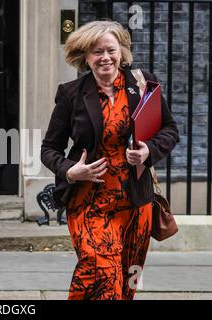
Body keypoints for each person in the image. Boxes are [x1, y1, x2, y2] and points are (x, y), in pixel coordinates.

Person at [41, 20, 179, 300]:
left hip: (136, 202)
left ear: (122, 52)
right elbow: (49, 148)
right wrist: (71, 171)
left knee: (128, 280)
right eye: (96, 52)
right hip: (89, 202)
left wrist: (148, 151)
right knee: (102, 271)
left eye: (110, 50)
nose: (105, 57)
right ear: (85, 57)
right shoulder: (71, 94)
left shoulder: (142, 85)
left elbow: (170, 130)